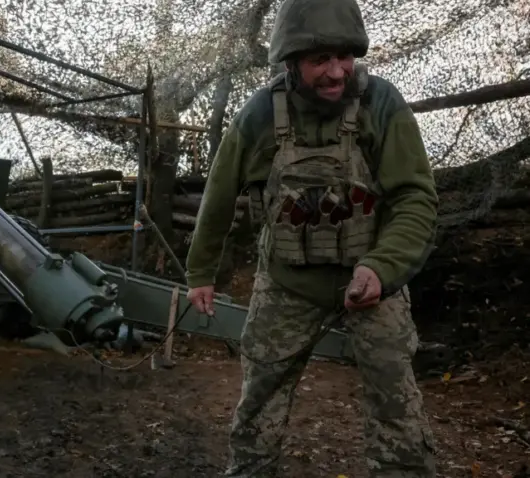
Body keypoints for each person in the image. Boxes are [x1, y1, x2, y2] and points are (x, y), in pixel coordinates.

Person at [184, 0, 439, 477]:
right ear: (291, 61)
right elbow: (218, 196)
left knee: (396, 401)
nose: (336, 71)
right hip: (287, 284)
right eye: (320, 59)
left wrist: (381, 268)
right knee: (259, 398)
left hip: (371, 281)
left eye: (345, 56)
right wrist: (201, 272)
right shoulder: (260, 114)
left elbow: (416, 198)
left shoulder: (382, 104)